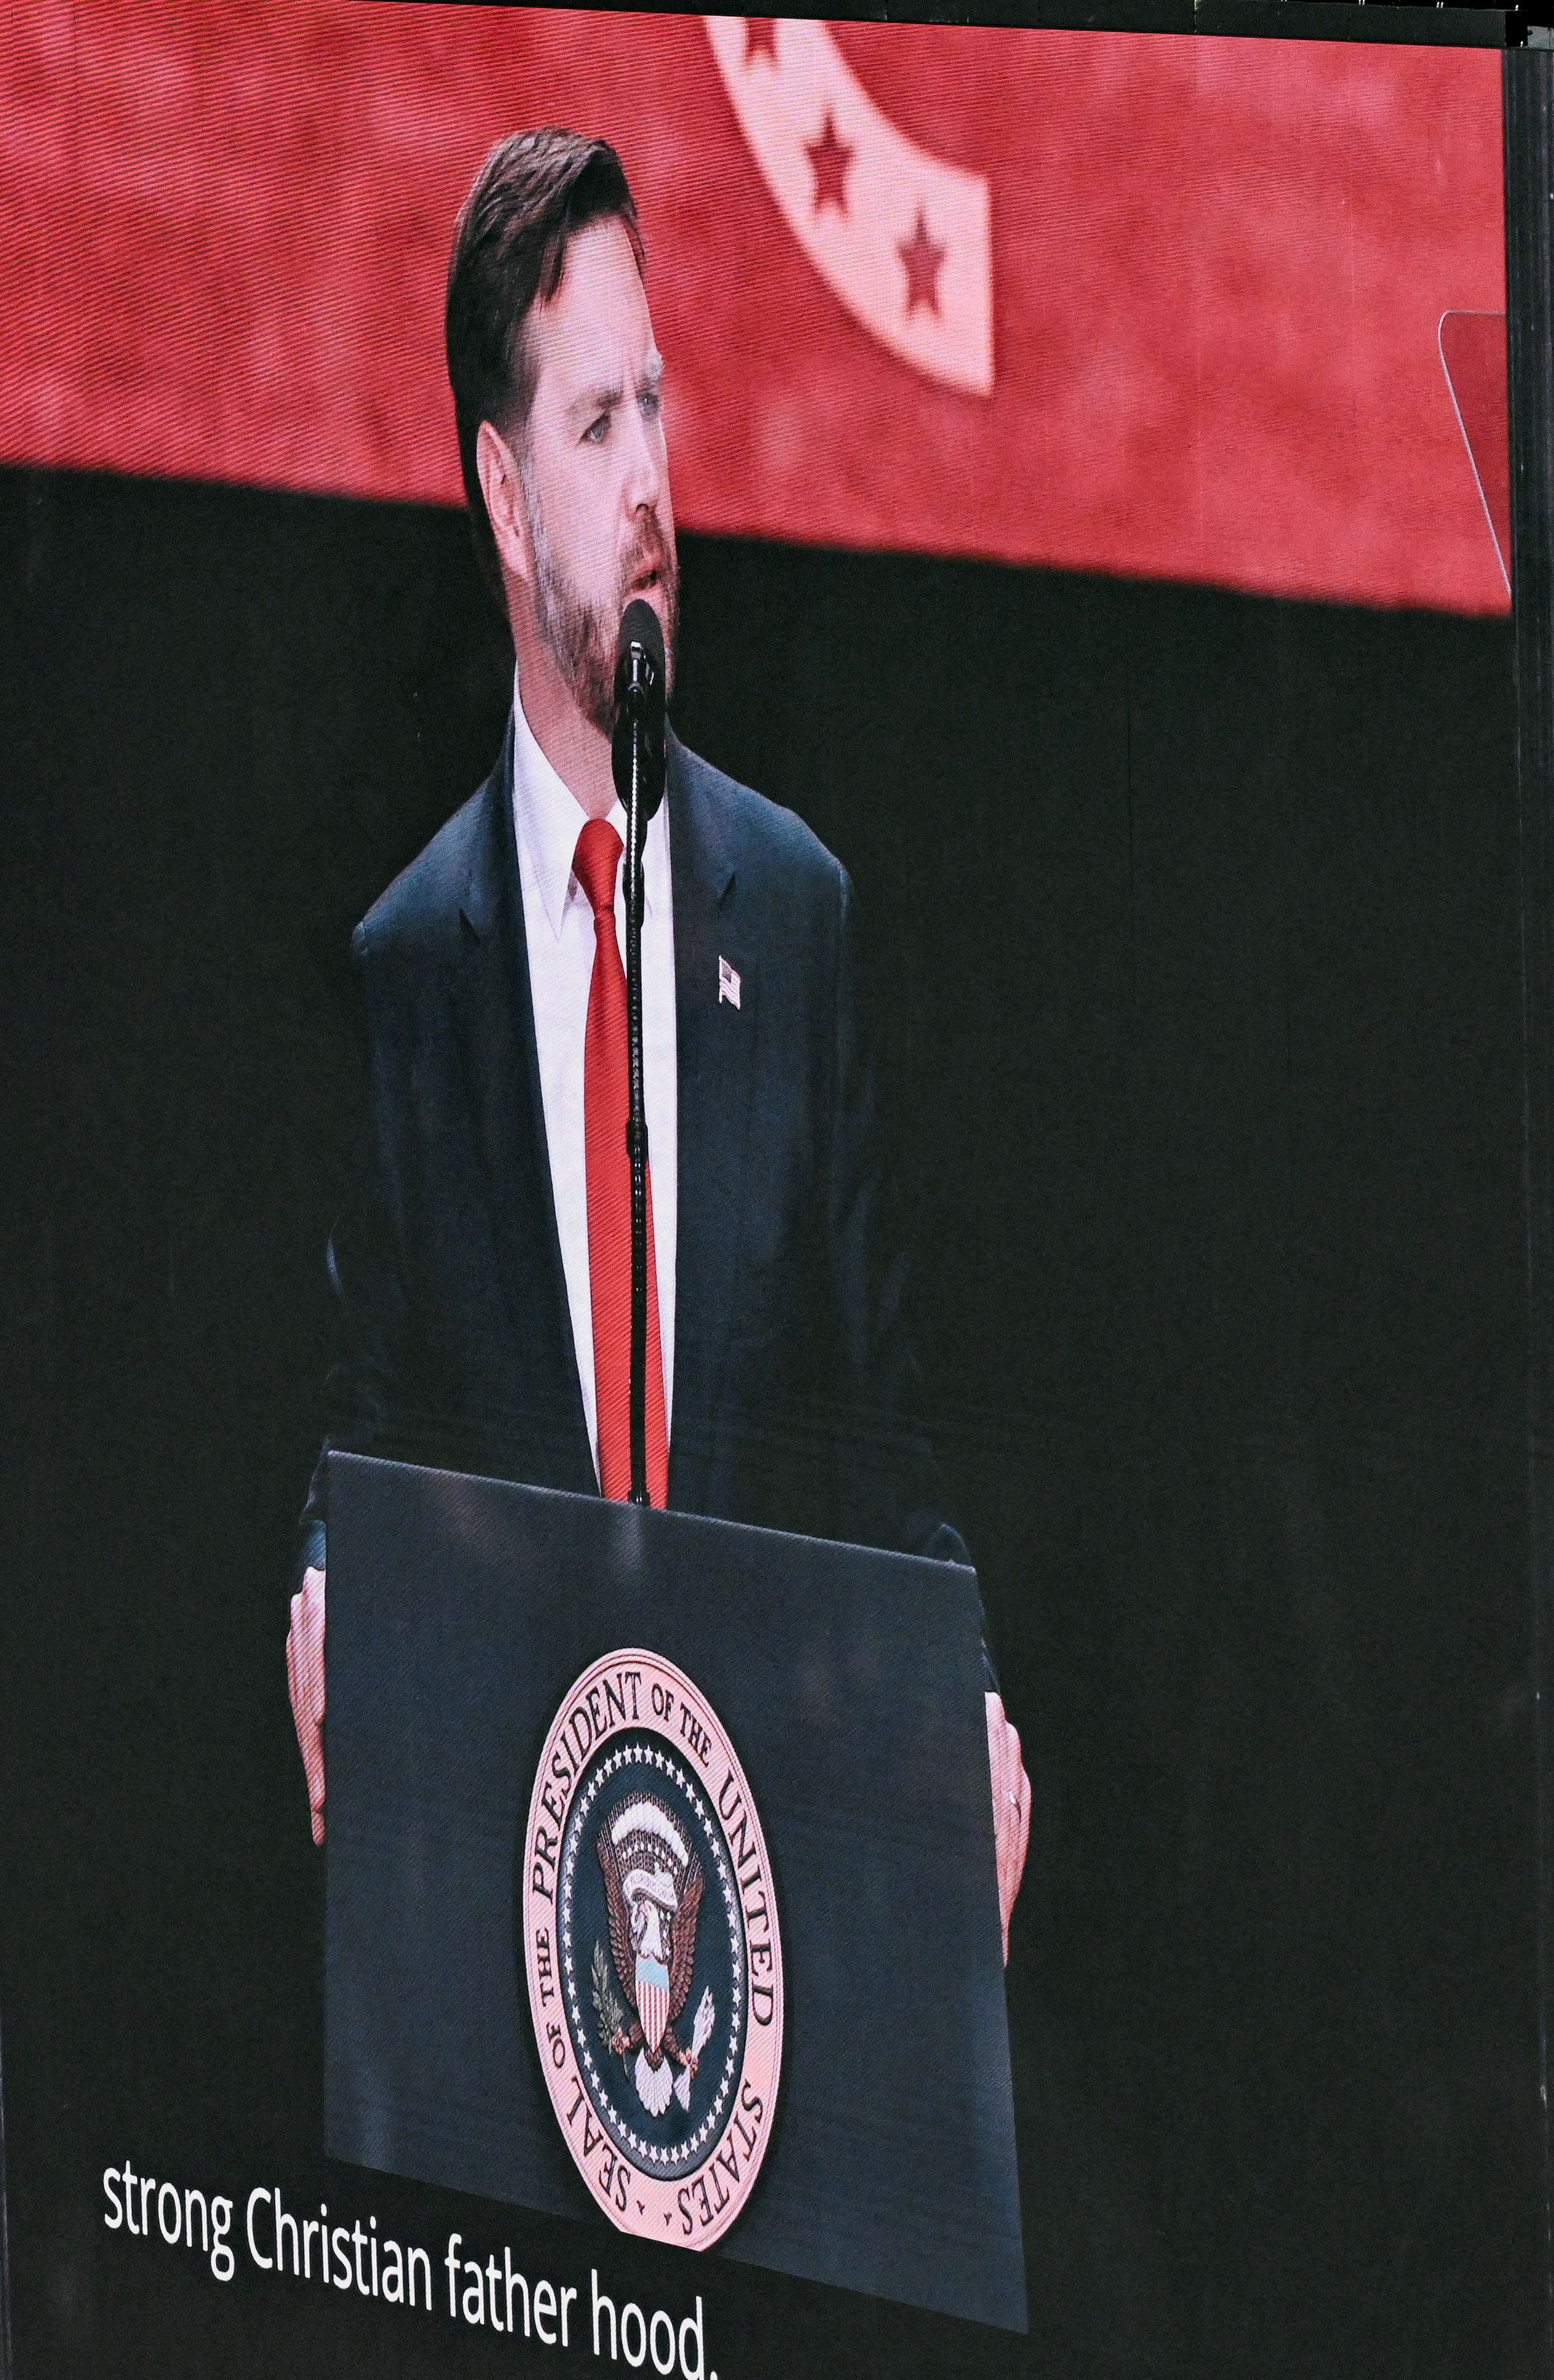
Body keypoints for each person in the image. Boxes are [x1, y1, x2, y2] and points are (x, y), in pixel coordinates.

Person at [285, 126, 1029, 1941]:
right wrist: (323, 1579)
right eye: (594, 426)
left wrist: (968, 1690)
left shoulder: (796, 913)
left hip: (770, 1904)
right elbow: (370, 1427)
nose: (647, 487)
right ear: (502, 491)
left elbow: (881, 1439)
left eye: (656, 410)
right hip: (515, 1906)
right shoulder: (413, 968)